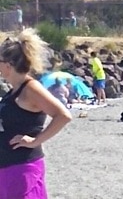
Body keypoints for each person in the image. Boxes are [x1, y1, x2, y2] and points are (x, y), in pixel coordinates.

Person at [0, 29, 73, 199]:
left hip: (22, 167)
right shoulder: (14, 91)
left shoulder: (31, 89)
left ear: (8, 65)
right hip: (9, 167)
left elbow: (63, 115)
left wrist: (35, 141)